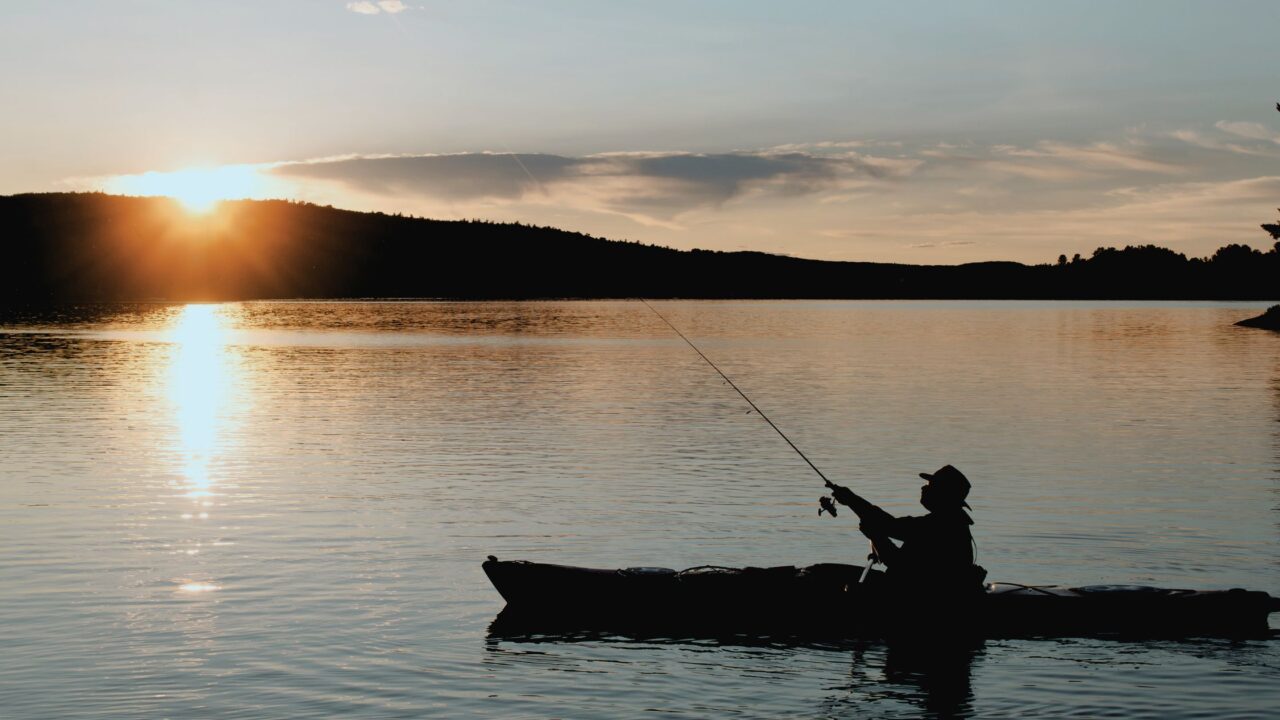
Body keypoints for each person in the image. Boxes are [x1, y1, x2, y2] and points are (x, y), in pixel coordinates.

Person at [828, 465, 984, 594]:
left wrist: (875, 535)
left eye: (931, 486)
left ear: (943, 494)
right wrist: (852, 500)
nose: (924, 487)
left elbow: (897, 562)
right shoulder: (951, 522)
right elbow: (888, 524)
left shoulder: (936, 526)